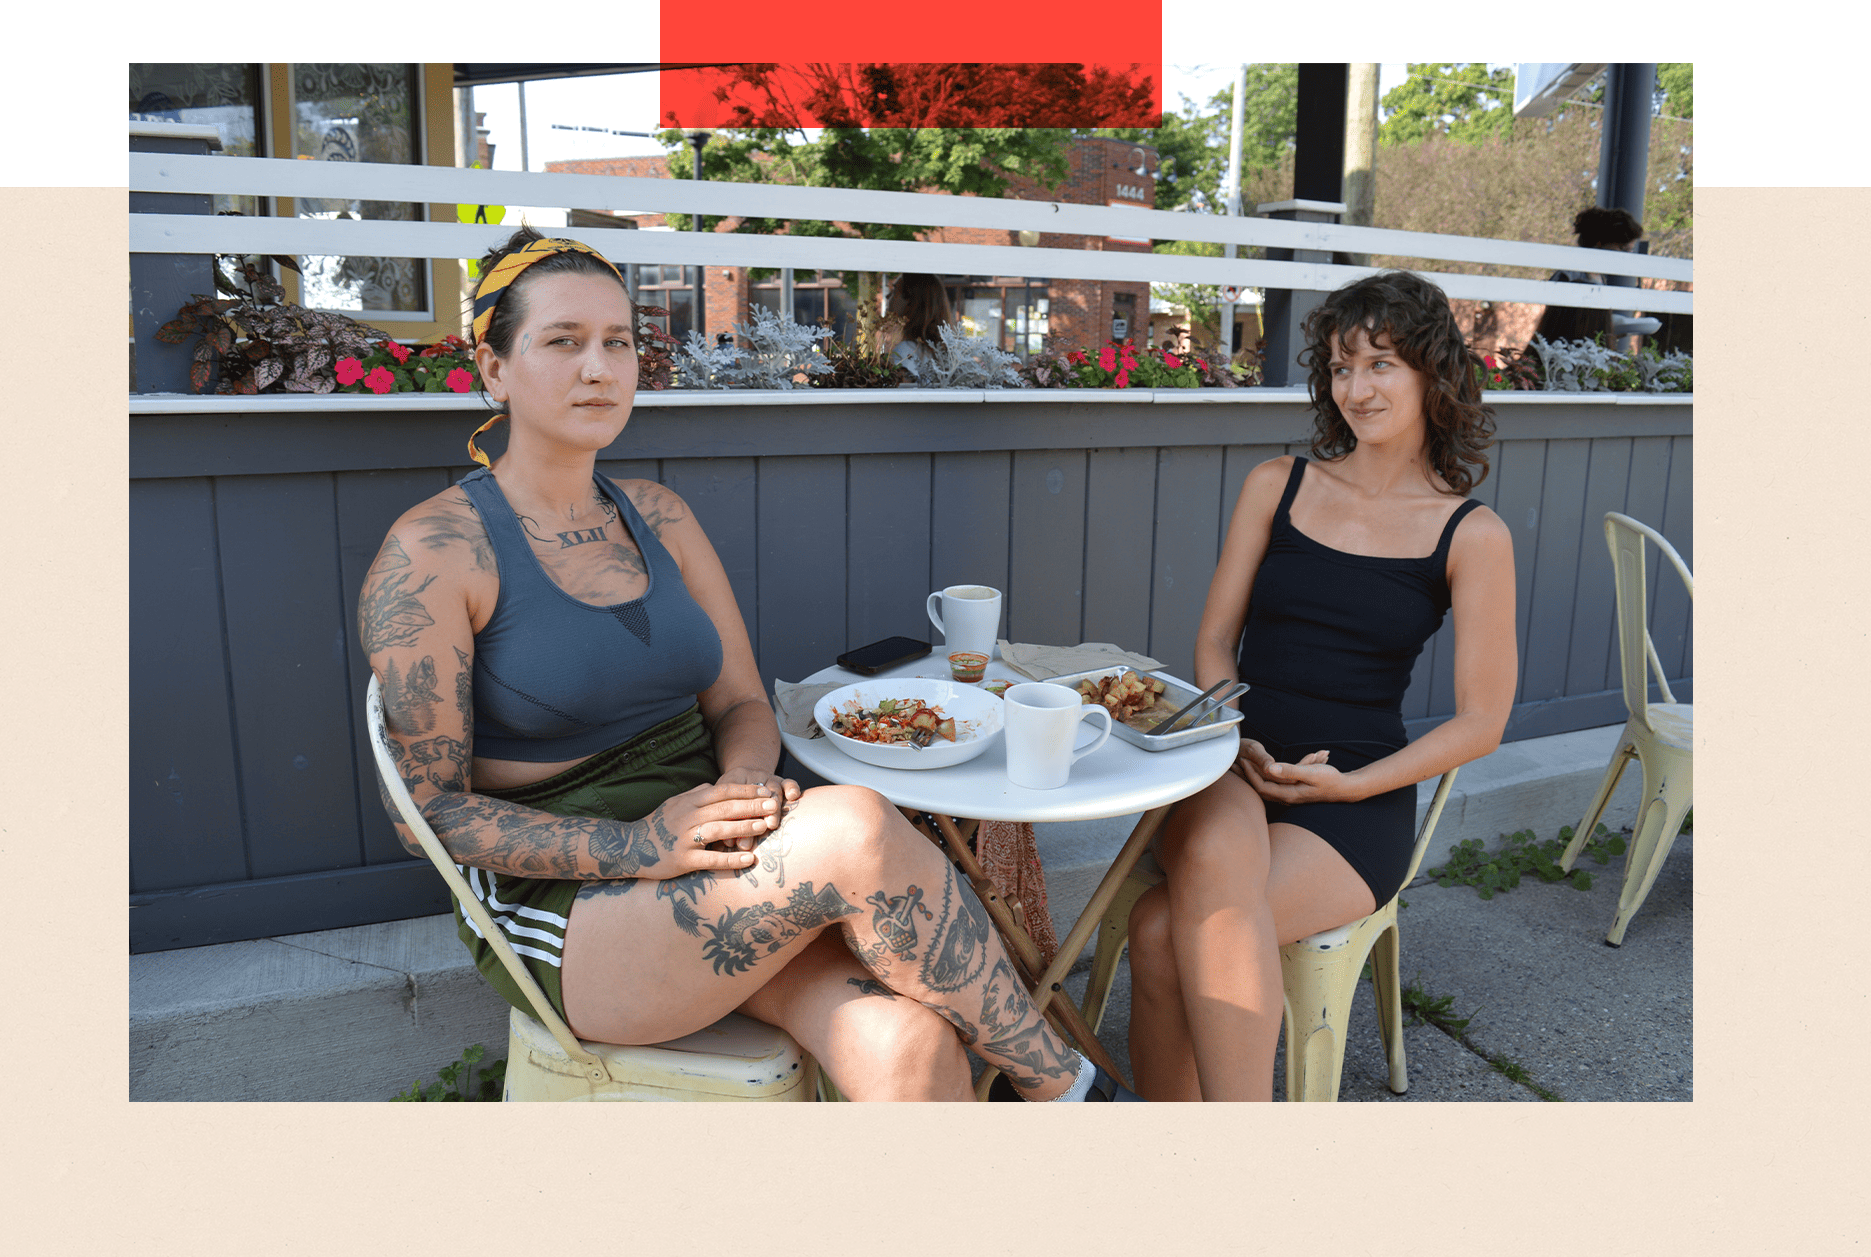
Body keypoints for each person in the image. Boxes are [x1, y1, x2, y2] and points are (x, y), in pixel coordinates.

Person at [359, 228, 1137, 1102]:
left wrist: (742, 799)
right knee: (860, 829)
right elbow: (423, 814)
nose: (600, 369)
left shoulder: (660, 514)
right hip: (567, 905)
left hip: (712, 855)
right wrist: (636, 846)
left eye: (619, 342)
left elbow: (740, 703)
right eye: (562, 341)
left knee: (904, 1042)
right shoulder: (434, 553)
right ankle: (1069, 1090)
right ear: (493, 368)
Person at [1125, 270, 1518, 1101]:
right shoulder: (1280, 483)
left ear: (1430, 373)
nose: (1357, 388)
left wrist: (1350, 786)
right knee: (1190, 889)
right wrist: (1232, 731)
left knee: (1161, 932)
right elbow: (1212, 641)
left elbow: (1484, 722)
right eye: (1341, 367)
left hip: (1359, 790)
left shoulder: (1470, 532)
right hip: (1237, 755)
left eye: (1381, 364)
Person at [1530, 206, 1648, 350]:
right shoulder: (1569, 275)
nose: (1626, 256)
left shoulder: (1599, 277)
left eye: (1630, 250)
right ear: (1599, 243)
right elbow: (1559, 328)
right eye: (1623, 249)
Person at [876, 273, 954, 378]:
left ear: (911, 301)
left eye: (895, 291)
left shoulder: (906, 352)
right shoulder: (937, 352)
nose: (887, 296)